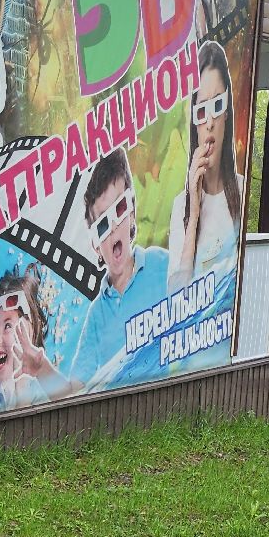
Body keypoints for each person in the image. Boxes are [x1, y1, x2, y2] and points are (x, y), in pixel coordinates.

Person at [68, 148, 169, 385]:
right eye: (102, 224)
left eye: (120, 209)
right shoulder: (96, 315)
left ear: (132, 213)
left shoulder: (161, 265)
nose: (113, 226)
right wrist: (41, 368)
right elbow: (74, 387)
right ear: (96, 246)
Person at [167, 41, 244, 290]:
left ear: (227, 113)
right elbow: (174, 294)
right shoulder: (181, 206)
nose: (209, 122)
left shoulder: (242, 191)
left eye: (217, 106)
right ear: (194, 123)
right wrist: (194, 212)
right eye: (201, 112)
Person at [0, 268, 78, 410]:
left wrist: (24, 383)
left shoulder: (42, 385)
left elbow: (71, 407)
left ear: (28, 331)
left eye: (8, 326)